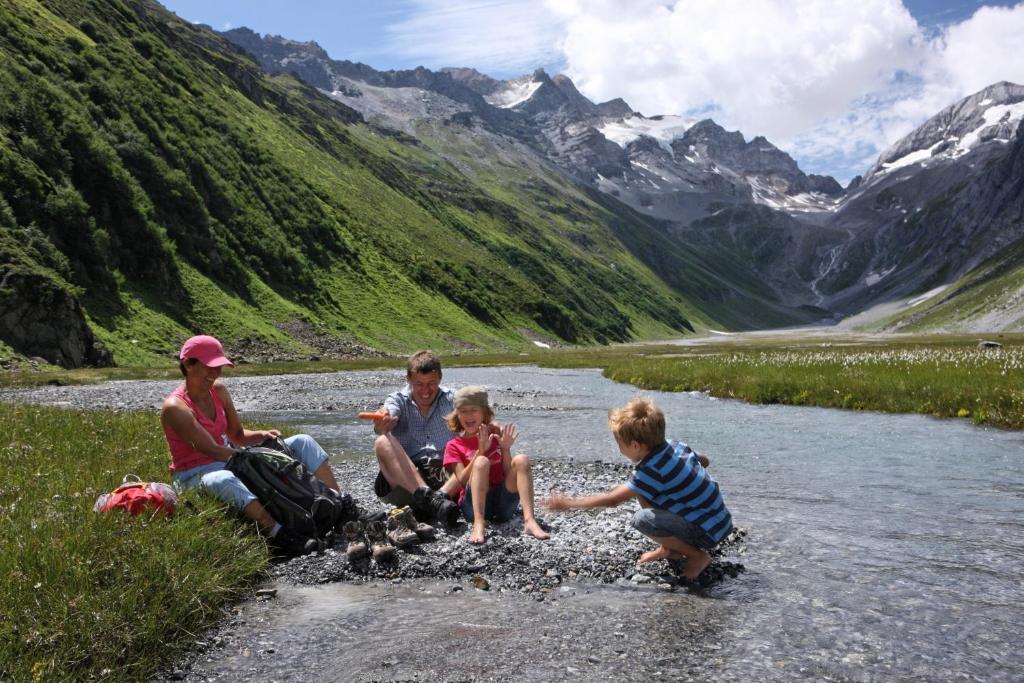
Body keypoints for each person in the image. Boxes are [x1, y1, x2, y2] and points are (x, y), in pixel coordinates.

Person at [161, 334, 347, 554]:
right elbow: (210, 449)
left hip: (231, 457)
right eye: (209, 367)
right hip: (195, 474)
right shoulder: (175, 407)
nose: (215, 373)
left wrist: (260, 435)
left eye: (219, 367)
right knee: (223, 478)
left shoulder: (218, 391)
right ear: (188, 364)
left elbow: (238, 435)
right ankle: (279, 535)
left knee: (302, 442)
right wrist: (256, 458)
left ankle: (339, 506)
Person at [543, 397, 732, 580]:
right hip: (719, 519)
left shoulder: (652, 470)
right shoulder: (676, 445)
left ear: (635, 445)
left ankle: (696, 556)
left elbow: (612, 500)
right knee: (643, 490)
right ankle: (669, 549)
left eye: (620, 444)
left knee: (642, 519)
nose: (619, 450)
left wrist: (568, 503)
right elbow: (704, 460)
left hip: (707, 532)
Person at [442, 385, 550, 544]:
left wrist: (505, 449)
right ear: (457, 415)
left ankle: (529, 520)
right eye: (463, 411)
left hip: (502, 506)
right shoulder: (453, 445)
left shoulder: (495, 435)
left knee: (522, 459)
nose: (468, 416)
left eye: (473, 410)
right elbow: (463, 481)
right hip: (473, 506)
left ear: (484, 413)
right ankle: (479, 524)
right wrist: (480, 452)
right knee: (481, 461)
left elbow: (508, 474)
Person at [369, 350, 460, 525]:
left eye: (431, 383)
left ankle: (430, 503)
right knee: (382, 441)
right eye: (419, 384)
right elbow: (388, 410)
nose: (426, 390)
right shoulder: (397, 400)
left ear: (440, 378)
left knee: (481, 441)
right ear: (409, 379)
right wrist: (384, 420)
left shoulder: (453, 399)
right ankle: (430, 500)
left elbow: (477, 415)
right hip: (408, 479)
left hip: (446, 478)